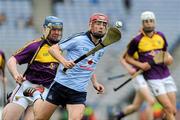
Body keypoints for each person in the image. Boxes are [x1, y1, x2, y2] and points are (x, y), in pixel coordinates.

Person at [23, 12, 109, 120]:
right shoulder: (79, 39)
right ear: (90, 25)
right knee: (40, 118)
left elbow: (90, 65)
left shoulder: (102, 47)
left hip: (78, 92)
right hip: (60, 86)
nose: (101, 27)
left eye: (104, 24)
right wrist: (64, 61)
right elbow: (53, 49)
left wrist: (95, 82)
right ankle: (37, 96)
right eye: (98, 23)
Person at [2, 16, 64, 120]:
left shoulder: (60, 48)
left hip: (43, 92)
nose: (57, 33)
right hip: (26, 88)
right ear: (45, 29)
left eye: (59, 30)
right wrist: (16, 74)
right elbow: (11, 60)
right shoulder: (34, 46)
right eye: (53, 29)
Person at [125, 11, 177, 120]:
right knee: (167, 108)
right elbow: (127, 58)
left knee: (173, 111)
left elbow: (165, 53)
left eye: (151, 21)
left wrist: (169, 58)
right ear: (142, 23)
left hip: (166, 75)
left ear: (154, 22)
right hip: (153, 78)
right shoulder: (136, 40)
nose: (149, 23)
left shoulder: (161, 36)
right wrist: (140, 65)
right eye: (146, 21)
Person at [114, 50, 156, 120]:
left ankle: (119, 116)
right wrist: (129, 68)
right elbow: (122, 59)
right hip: (138, 76)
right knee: (151, 101)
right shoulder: (135, 42)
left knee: (136, 106)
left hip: (149, 77)